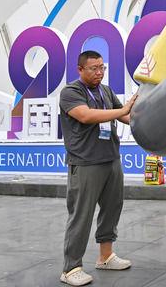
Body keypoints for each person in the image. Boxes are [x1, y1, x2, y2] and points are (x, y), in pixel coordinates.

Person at [59, 50, 137, 286]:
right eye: (94, 68)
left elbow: (125, 116)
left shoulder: (105, 91)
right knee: (81, 215)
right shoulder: (71, 92)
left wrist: (146, 118)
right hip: (85, 162)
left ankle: (105, 257)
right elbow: (85, 115)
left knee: (112, 209)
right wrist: (123, 110)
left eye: (102, 67)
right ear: (80, 69)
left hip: (110, 159)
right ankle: (71, 268)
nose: (99, 72)